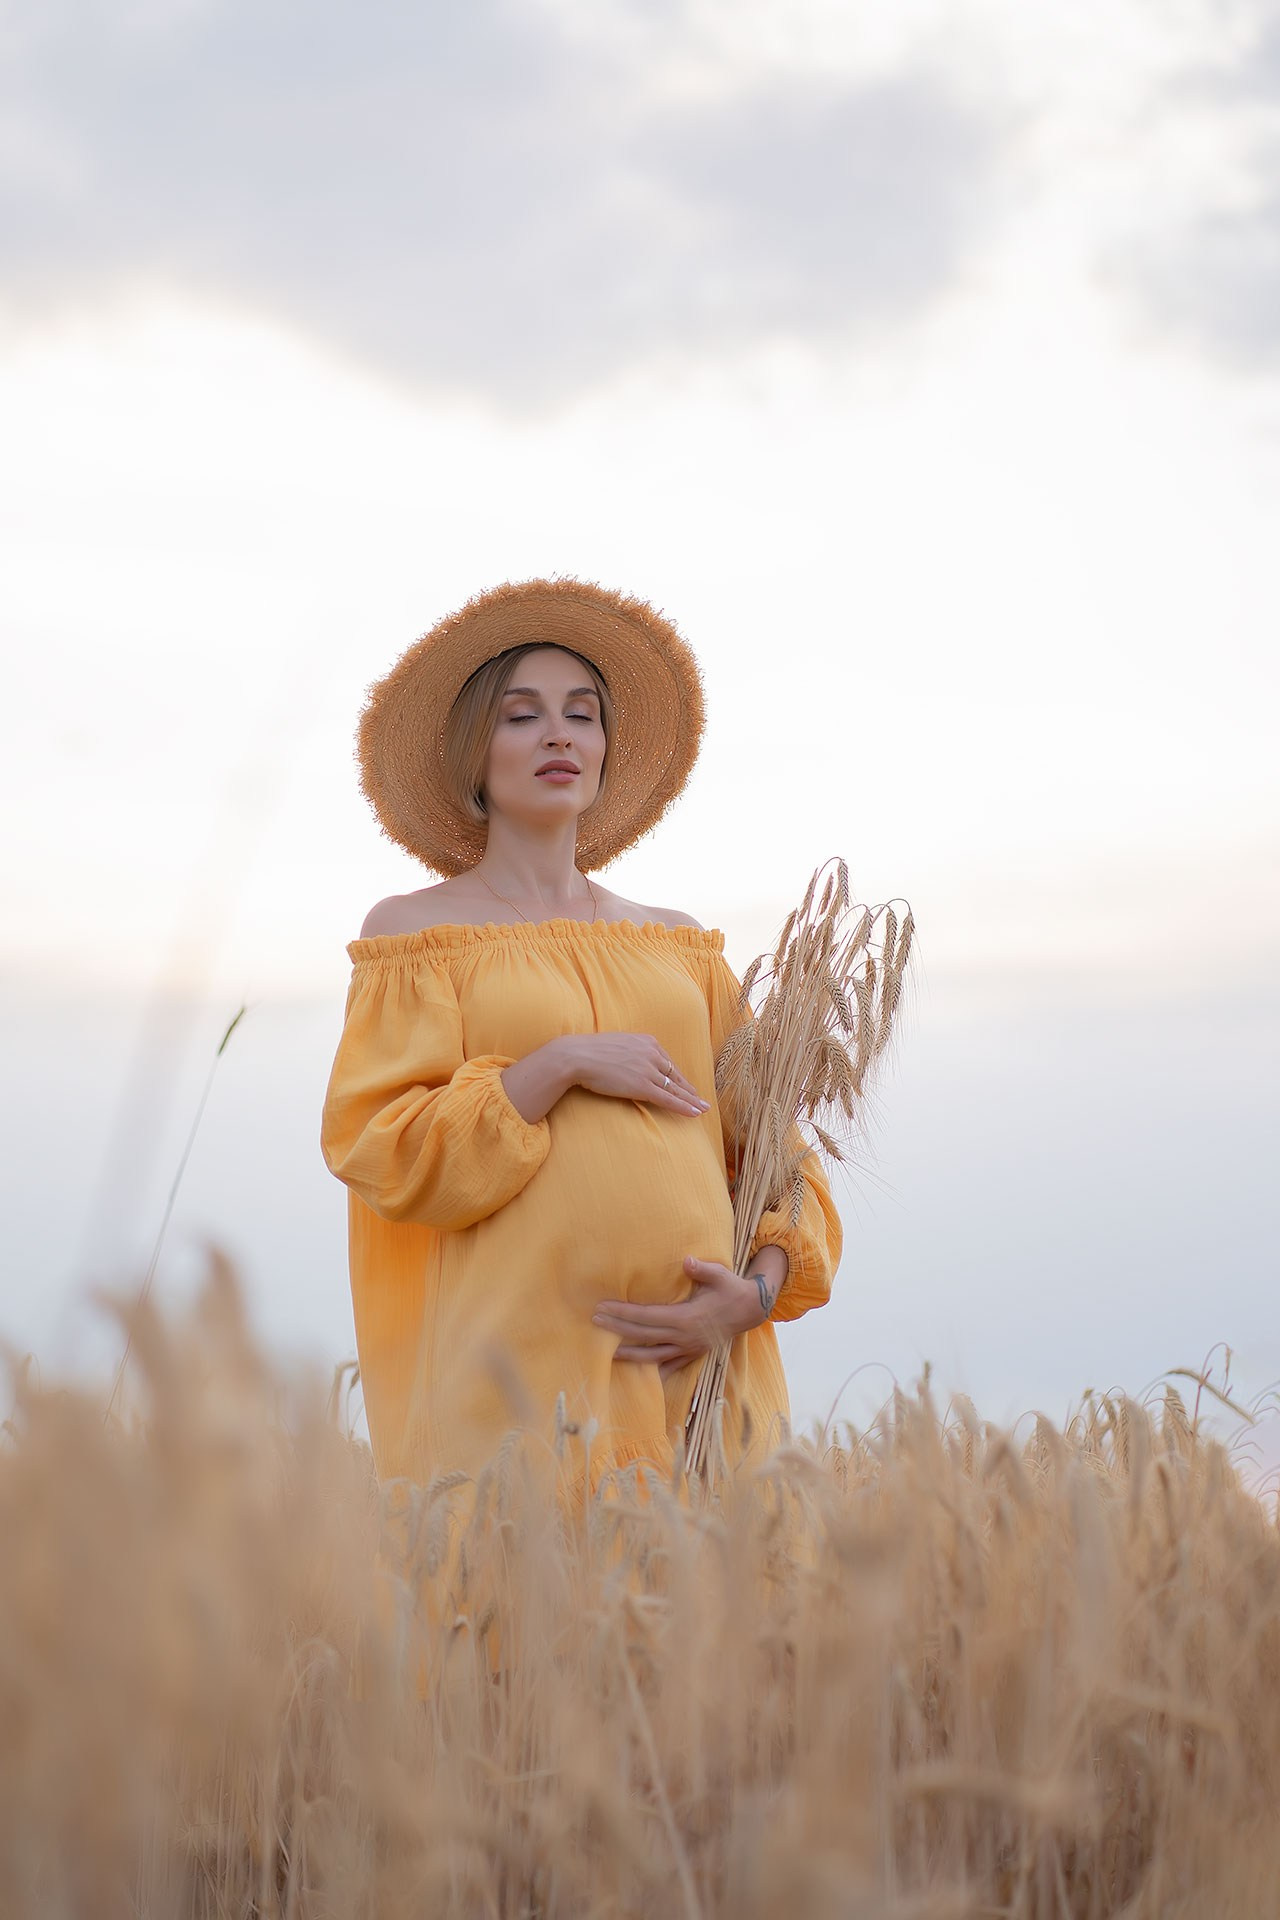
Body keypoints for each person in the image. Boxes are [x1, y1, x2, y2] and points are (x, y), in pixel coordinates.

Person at [320, 578, 842, 1496]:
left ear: (604, 748)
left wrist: (749, 1299)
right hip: (518, 1383)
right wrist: (558, 1064)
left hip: (698, 1377)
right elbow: (384, 1149)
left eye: (582, 714)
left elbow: (778, 1158)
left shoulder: (678, 944)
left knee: (716, 1631)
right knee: (528, 1622)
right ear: (473, 751)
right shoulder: (415, 936)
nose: (560, 734)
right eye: (523, 716)